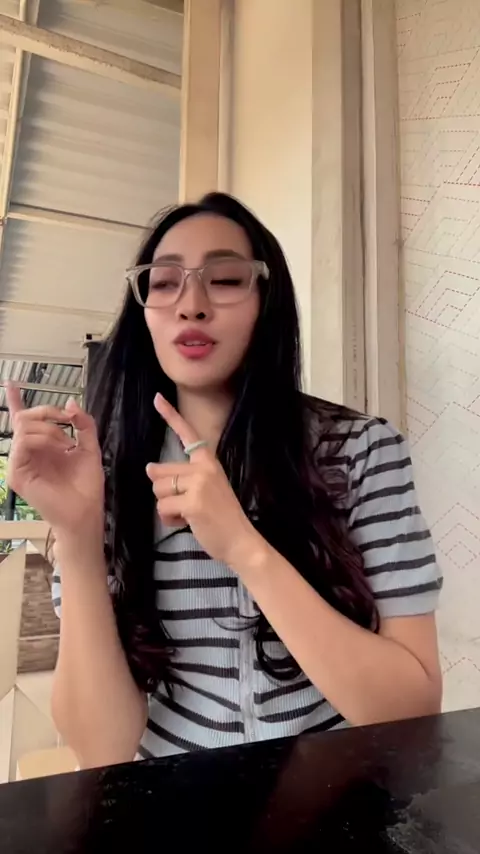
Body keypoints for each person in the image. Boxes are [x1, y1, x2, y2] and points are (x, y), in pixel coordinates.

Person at [5, 192, 443, 770]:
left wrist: (244, 547)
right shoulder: (102, 477)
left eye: (227, 279)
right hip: (175, 805)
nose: (191, 305)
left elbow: (413, 710)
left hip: (338, 800)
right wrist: (79, 538)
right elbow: (102, 748)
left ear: (267, 302)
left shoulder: (360, 451)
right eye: (164, 283)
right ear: (143, 313)